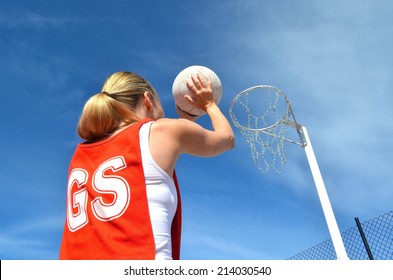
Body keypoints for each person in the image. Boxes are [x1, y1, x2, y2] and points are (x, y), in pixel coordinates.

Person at [59, 71, 235, 260]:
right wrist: (209, 104)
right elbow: (226, 139)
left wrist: (186, 123)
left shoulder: (81, 155)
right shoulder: (162, 130)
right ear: (147, 100)